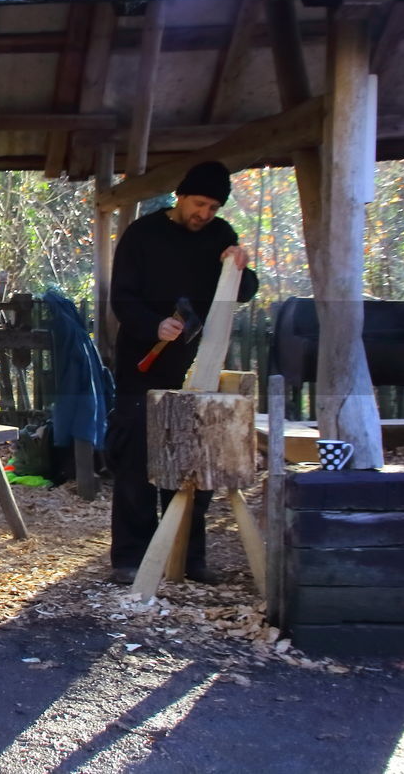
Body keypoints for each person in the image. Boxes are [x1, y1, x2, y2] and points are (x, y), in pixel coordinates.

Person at [107, 160, 258, 585]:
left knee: (195, 460)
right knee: (138, 456)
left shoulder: (220, 235)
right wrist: (153, 325)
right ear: (180, 195)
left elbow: (244, 290)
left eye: (212, 207)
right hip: (143, 361)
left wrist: (239, 265)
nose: (204, 214)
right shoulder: (142, 234)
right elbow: (121, 297)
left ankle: (188, 556)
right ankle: (131, 557)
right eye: (199, 204)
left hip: (196, 367)